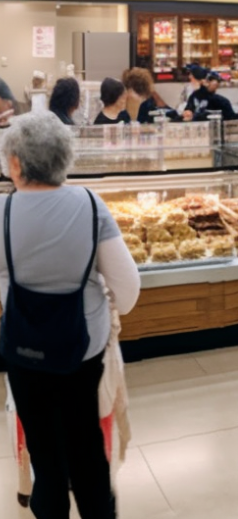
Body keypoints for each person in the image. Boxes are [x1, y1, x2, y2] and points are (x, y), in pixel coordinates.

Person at [0, 112, 141, 519]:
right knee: (86, 452)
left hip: (24, 355)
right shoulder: (90, 205)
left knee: (45, 457)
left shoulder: (3, 214)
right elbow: (128, 290)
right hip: (82, 353)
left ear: (16, 163)